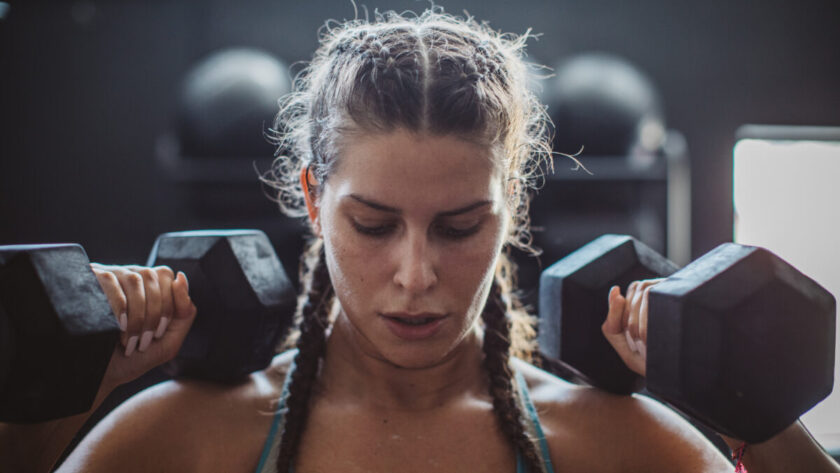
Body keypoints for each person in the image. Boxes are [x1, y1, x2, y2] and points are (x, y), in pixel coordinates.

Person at [2, 7, 838, 473]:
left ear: (510, 204)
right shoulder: (184, 440)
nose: (415, 275)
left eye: (460, 225)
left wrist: (757, 415)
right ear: (309, 198)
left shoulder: (611, 444)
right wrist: (61, 403)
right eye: (371, 224)